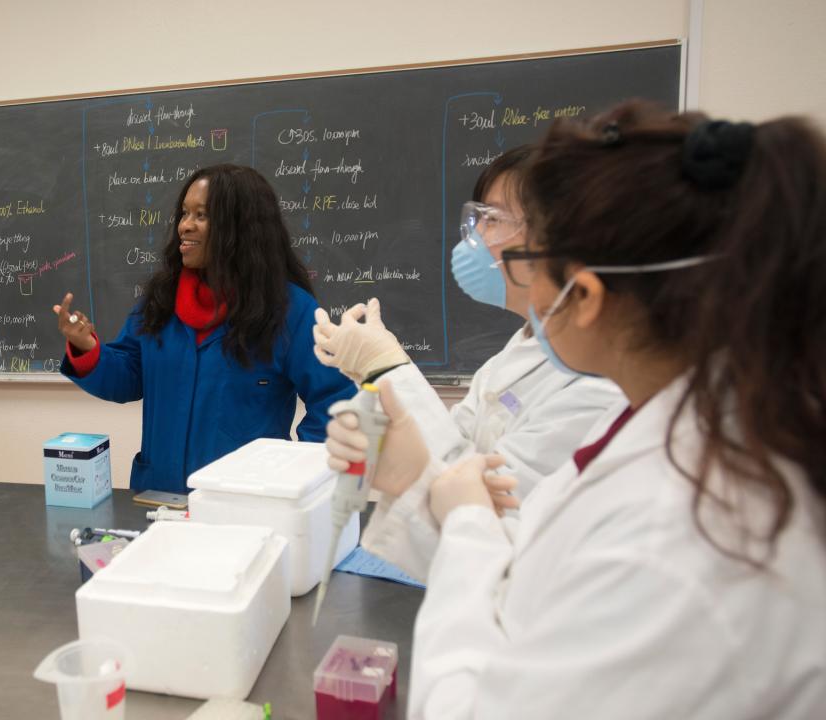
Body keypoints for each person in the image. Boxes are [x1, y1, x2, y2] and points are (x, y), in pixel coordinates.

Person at [333, 101, 826, 717]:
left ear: (585, 295)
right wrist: (421, 484)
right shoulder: (676, 419)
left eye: (528, 262)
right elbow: (539, 574)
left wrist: (462, 514)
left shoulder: (677, 537)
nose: (519, 283)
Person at [315, 145, 622, 580]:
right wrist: (381, 388)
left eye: (493, 219)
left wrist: (387, 368)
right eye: (477, 218)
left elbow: (494, 519)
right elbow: (458, 446)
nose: (474, 236)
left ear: (554, 240)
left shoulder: (597, 383)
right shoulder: (521, 348)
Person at [54, 164, 354, 493]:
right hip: (159, 499)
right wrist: (87, 349)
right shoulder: (161, 301)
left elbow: (336, 403)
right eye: (184, 213)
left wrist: (293, 473)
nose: (185, 226)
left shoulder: (290, 311)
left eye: (202, 215)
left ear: (240, 226)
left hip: (241, 505)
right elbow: (130, 376)